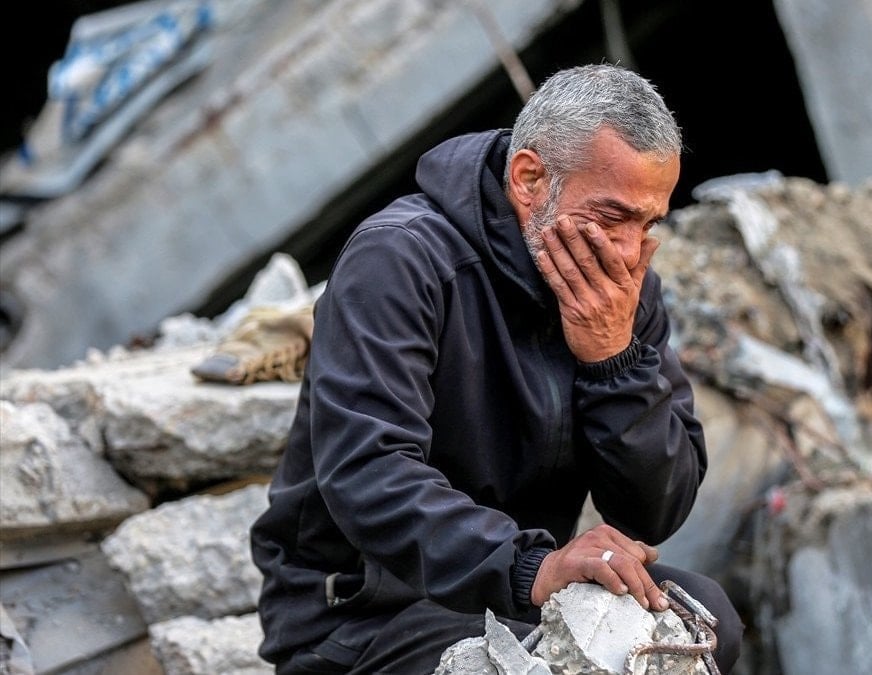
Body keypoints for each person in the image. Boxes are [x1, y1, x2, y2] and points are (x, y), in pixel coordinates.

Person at [250, 62, 742, 674]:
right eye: (611, 217)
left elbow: (654, 512)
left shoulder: (622, 291)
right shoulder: (399, 259)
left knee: (707, 620)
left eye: (648, 223)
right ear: (529, 178)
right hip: (366, 612)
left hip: (514, 590)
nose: (627, 249)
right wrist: (532, 567)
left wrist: (614, 361)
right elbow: (368, 470)